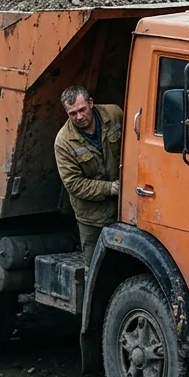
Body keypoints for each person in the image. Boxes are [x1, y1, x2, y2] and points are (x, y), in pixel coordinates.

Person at [53, 85, 124, 265]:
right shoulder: (64, 142)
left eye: (82, 110)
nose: (79, 117)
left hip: (125, 208)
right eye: (72, 113)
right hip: (92, 218)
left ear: (91, 103)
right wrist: (110, 188)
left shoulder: (114, 114)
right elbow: (74, 184)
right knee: (95, 267)